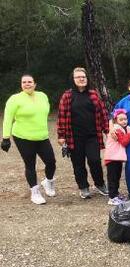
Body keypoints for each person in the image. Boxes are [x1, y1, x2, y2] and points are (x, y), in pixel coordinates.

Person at [1, 74, 56, 205]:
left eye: (30, 82)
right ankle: (35, 192)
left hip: (42, 136)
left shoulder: (42, 96)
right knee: (30, 164)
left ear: (35, 84)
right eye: (24, 82)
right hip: (23, 137)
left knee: (51, 162)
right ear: (21, 85)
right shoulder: (15, 99)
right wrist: (5, 138)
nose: (27, 84)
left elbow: (44, 113)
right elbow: (8, 118)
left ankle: (48, 182)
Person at [57, 67, 109, 199]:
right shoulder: (67, 96)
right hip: (74, 138)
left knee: (95, 160)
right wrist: (61, 135)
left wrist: (107, 130)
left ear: (87, 79)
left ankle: (99, 184)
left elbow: (103, 114)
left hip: (93, 136)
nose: (81, 79)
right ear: (73, 80)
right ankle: (83, 187)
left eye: (83, 77)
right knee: (78, 164)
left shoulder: (94, 94)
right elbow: (61, 116)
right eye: (78, 77)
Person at [104, 109, 130, 205]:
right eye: (121, 119)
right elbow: (124, 142)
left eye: (125, 119)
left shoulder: (121, 128)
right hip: (112, 158)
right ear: (116, 120)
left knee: (117, 177)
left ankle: (115, 194)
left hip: (117, 158)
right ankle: (112, 197)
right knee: (112, 178)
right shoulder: (116, 129)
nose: (124, 121)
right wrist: (129, 134)